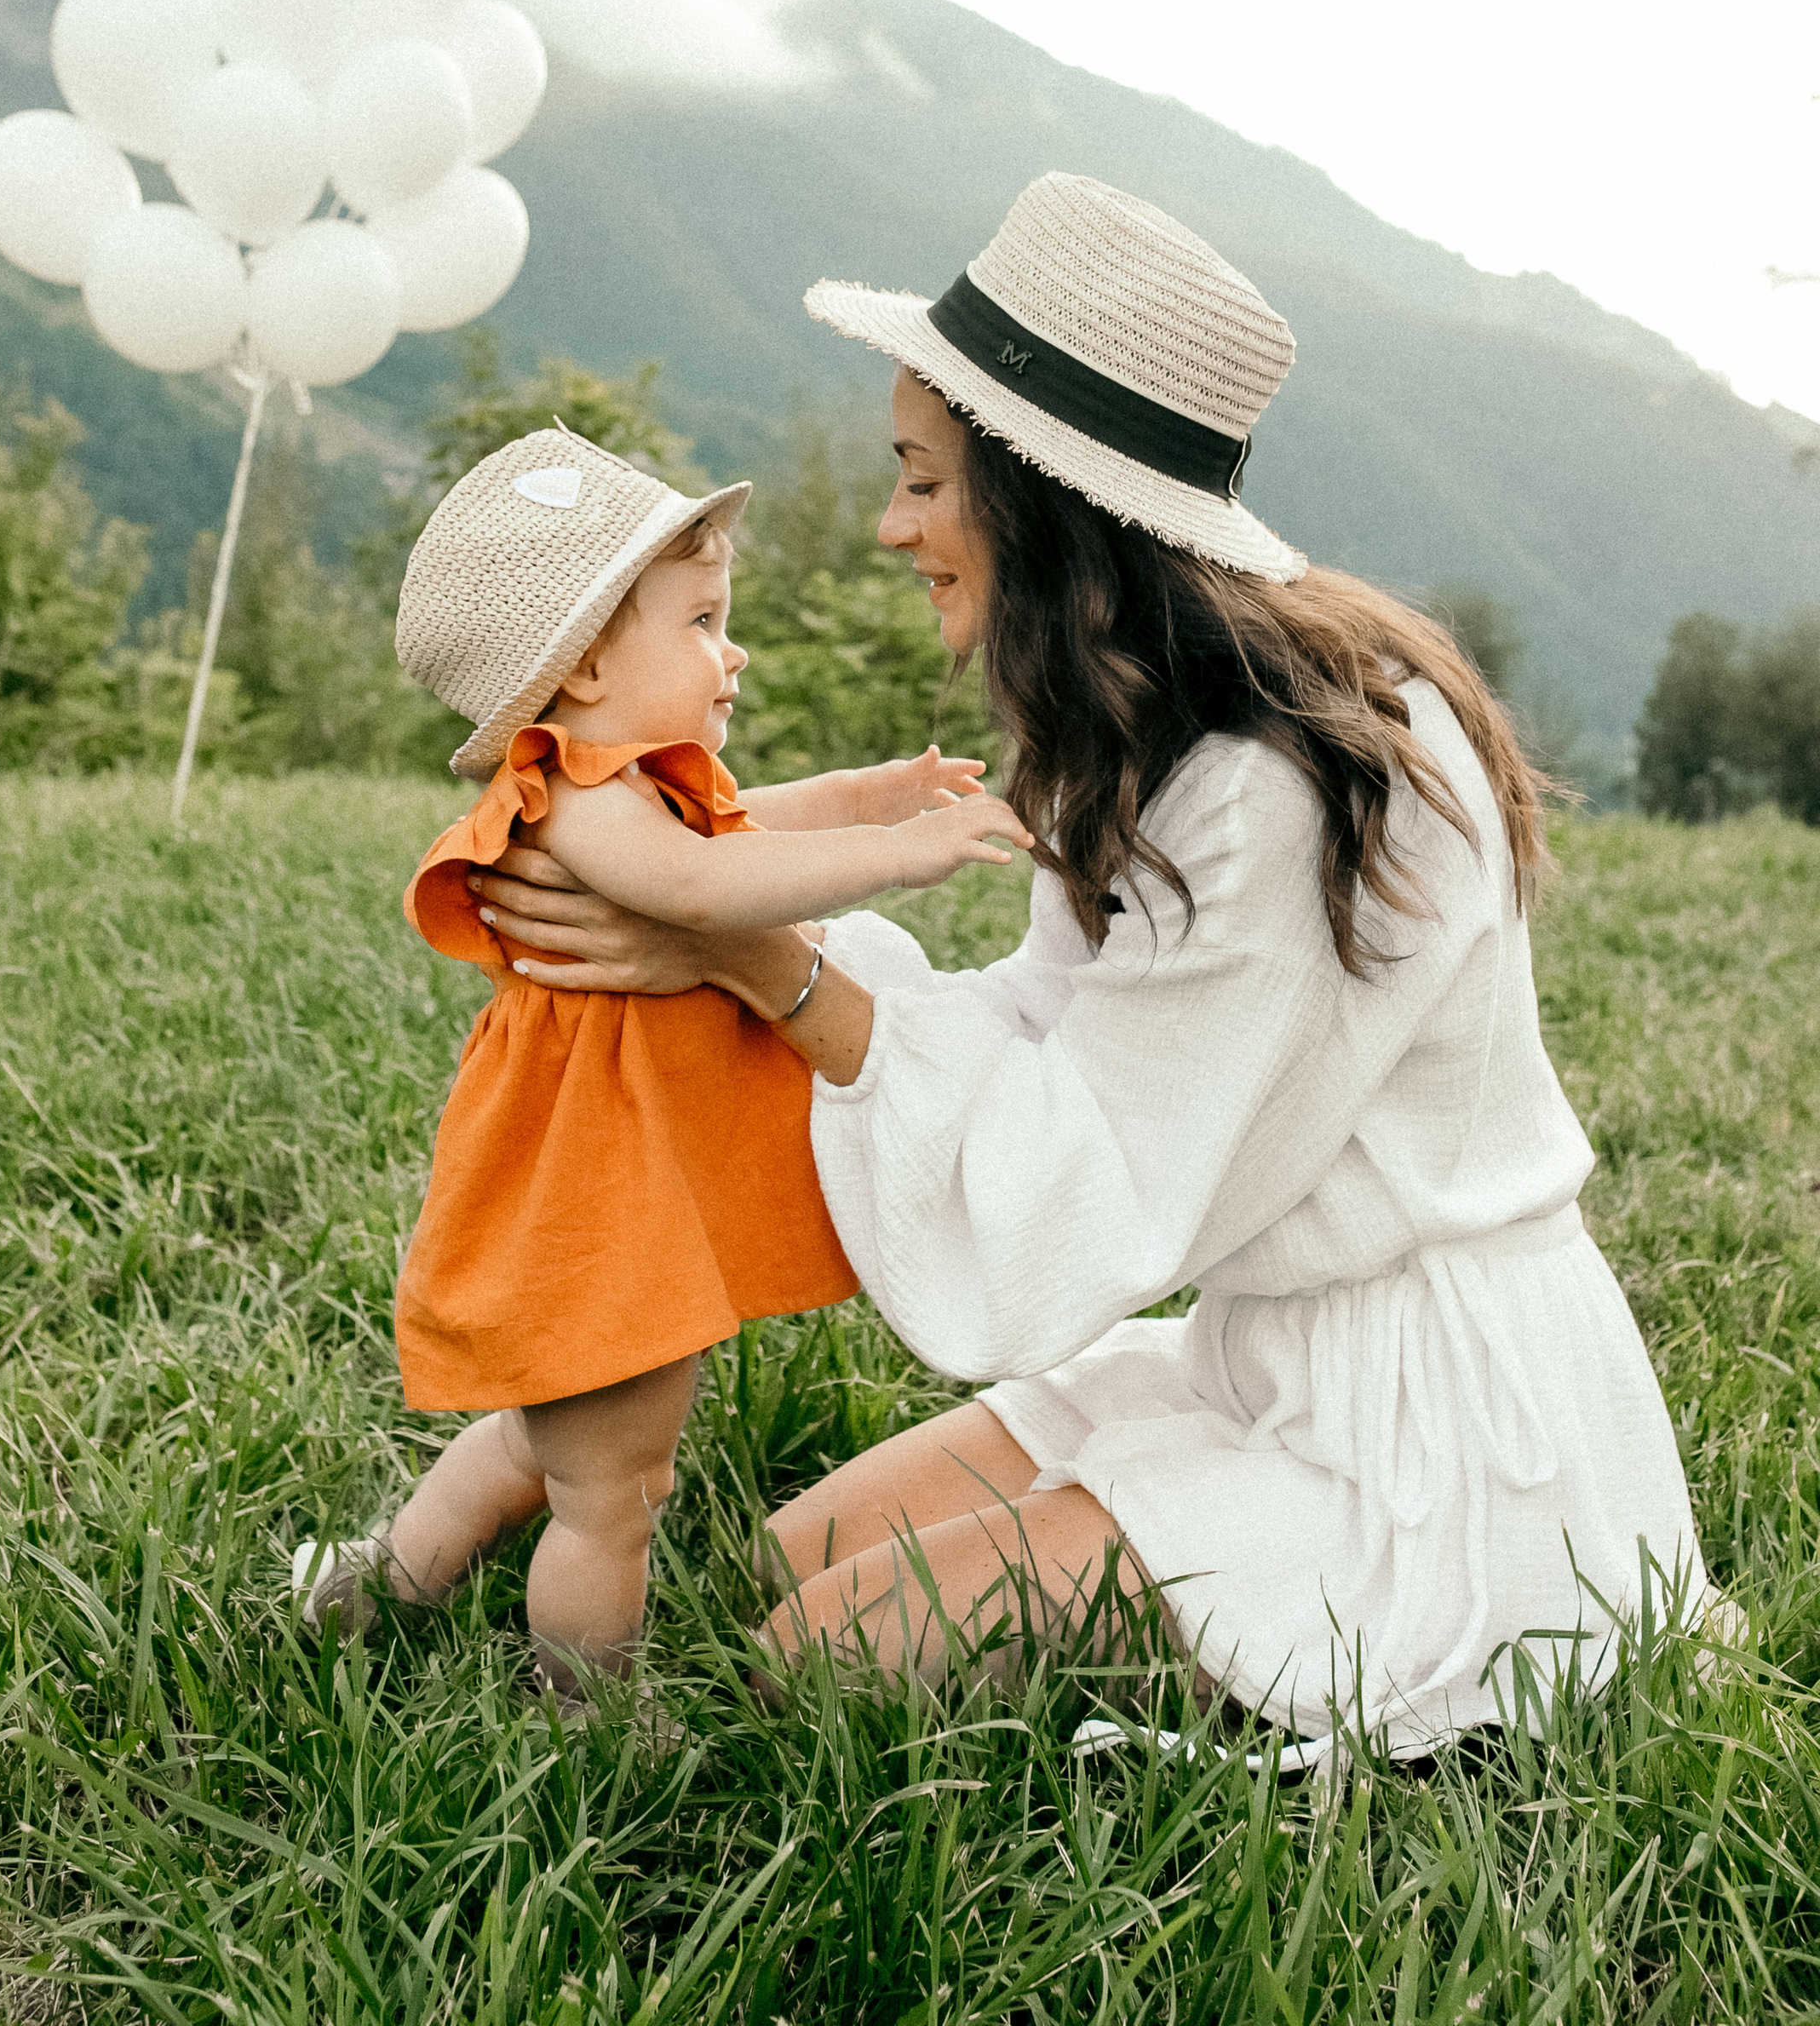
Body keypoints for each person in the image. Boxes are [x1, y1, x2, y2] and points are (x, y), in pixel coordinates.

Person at [473, 174, 1714, 1756]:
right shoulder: (1149, 723)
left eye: (922, 480)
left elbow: (1089, 1184)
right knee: (784, 1575)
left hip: (1442, 1437)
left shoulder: (1291, 788)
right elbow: (1054, 1032)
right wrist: (746, 945)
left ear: (1045, 499)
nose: (890, 523)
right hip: (1262, 1361)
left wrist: (756, 958)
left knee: (816, 1665)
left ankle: (1511, 1603)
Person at [292, 422, 1029, 1696]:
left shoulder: (631, 783)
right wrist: (899, 857)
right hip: (596, 1204)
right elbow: (700, 883)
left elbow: (744, 821)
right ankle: (586, 1704)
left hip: (612, 1191)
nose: (729, 652)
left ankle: (378, 1583)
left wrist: (868, 794)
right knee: (610, 1495)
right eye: (699, 622)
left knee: (544, 1441)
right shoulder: (576, 799)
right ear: (579, 673)